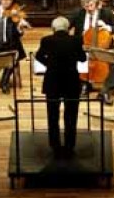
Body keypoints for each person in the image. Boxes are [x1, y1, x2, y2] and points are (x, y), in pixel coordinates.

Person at [35, 17, 87, 158]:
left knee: (52, 115)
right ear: (68, 28)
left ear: (53, 28)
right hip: (71, 81)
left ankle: (55, 146)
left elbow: (38, 56)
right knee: (71, 115)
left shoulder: (46, 40)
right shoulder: (76, 40)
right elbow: (83, 58)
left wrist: (49, 64)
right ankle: (70, 146)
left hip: (53, 81)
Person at [67, 0, 114, 105]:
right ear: (83, 6)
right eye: (86, 7)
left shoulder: (106, 13)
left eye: (91, 5)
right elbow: (65, 26)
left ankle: (105, 90)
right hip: (84, 46)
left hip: (103, 46)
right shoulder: (78, 13)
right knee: (73, 56)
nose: (90, 9)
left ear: (95, 3)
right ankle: (84, 84)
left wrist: (108, 27)